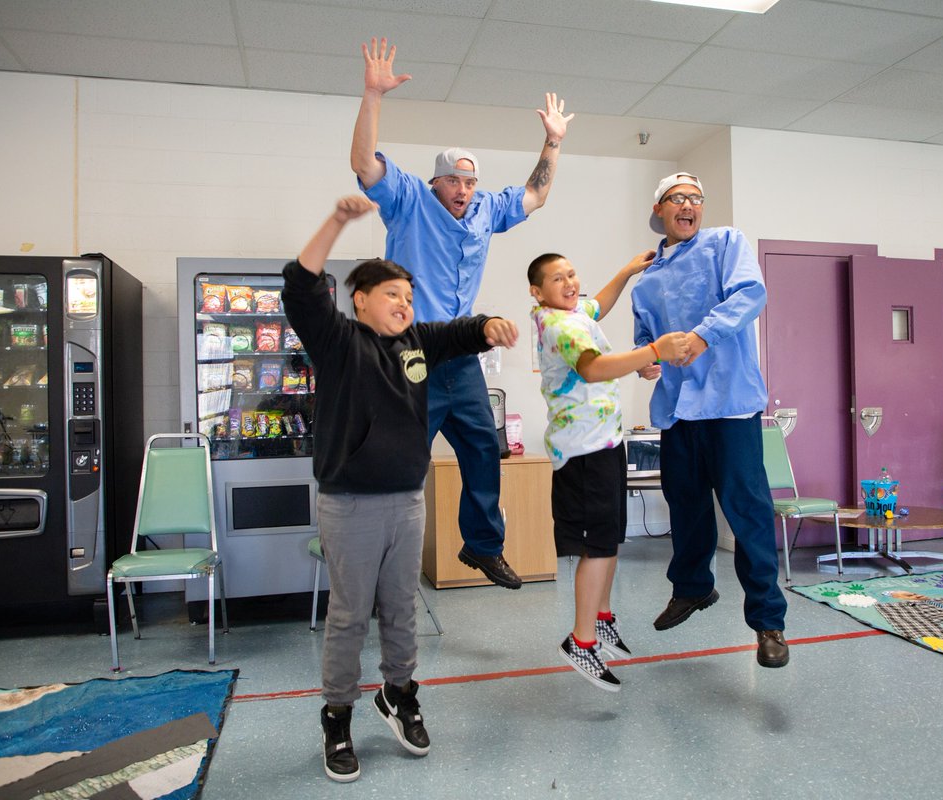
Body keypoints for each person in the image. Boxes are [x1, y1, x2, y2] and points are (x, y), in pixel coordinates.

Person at [282, 195, 519, 782]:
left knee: (402, 613)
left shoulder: (417, 344)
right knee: (349, 617)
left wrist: (486, 326)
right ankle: (337, 714)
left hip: (406, 504)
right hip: (350, 505)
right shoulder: (338, 341)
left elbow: (459, 331)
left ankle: (400, 695)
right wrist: (336, 220)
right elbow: (300, 285)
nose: (405, 305)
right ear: (360, 299)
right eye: (393, 294)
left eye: (410, 298)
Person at [351, 37, 574, 589]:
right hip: (409, 352)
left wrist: (551, 142)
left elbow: (535, 195)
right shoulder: (408, 199)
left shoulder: (485, 211)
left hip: (461, 352)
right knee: (403, 460)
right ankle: (378, 556)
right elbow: (362, 162)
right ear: (436, 182)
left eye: (471, 182)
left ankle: (481, 545)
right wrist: (373, 96)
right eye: (455, 180)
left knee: (483, 447)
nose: (464, 190)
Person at [630, 172, 791, 669]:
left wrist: (702, 335)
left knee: (747, 513)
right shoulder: (647, 280)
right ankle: (693, 588)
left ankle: (768, 623)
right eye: (677, 198)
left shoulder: (725, 243)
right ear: (659, 209)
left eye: (696, 198)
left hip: (729, 405)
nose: (688, 205)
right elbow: (644, 339)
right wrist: (646, 360)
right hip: (679, 412)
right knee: (686, 506)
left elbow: (749, 295)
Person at [529, 251, 689, 690]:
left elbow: (598, 302)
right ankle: (579, 641)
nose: (569, 283)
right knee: (596, 546)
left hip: (605, 441)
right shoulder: (557, 324)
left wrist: (626, 271)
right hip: (581, 451)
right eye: (557, 278)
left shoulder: (575, 310)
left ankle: (601, 620)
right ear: (537, 292)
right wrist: (650, 352)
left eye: (571, 273)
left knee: (611, 539)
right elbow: (593, 368)